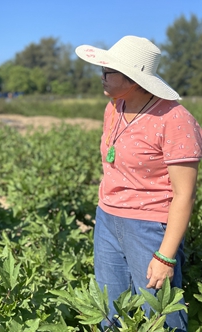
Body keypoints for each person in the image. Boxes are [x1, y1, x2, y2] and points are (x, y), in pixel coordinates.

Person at [76, 35, 202, 331]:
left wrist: (165, 256)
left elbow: (184, 196)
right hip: (107, 218)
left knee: (158, 315)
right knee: (111, 308)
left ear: (132, 78)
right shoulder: (114, 107)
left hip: (149, 227)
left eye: (108, 72)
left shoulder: (175, 119)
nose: (102, 77)